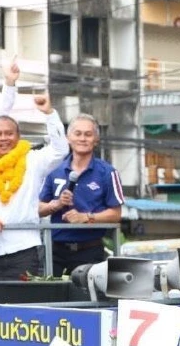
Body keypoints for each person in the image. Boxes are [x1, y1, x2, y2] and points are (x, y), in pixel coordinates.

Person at [0, 93, 69, 288]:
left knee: (25, 311)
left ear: (18, 136)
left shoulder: (33, 160)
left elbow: (60, 150)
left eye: (9, 133)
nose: (3, 138)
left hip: (25, 250)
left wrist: (49, 114)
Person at [37, 114, 125, 277]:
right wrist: (55, 205)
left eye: (88, 134)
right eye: (78, 134)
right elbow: (37, 209)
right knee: (53, 299)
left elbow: (116, 214)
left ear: (96, 139)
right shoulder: (54, 172)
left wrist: (87, 217)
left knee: (88, 299)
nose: (83, 138)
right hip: (55, 251)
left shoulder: (108, 173)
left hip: (90, 251)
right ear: (68, 138)